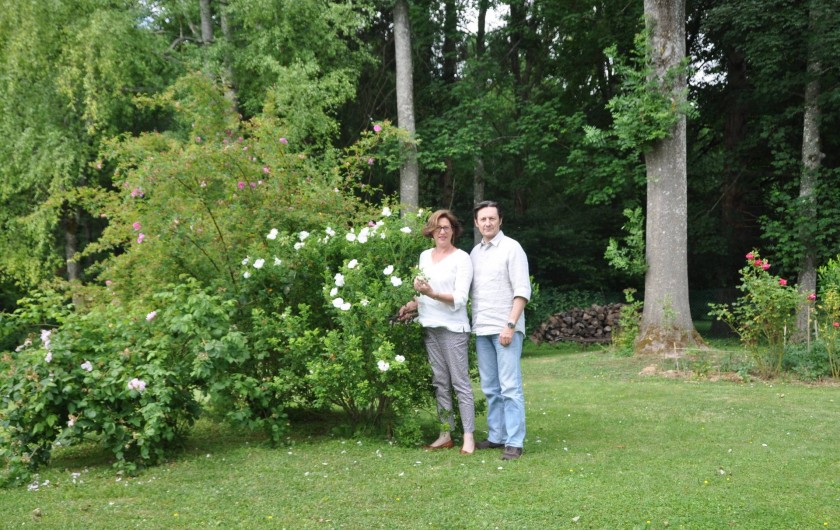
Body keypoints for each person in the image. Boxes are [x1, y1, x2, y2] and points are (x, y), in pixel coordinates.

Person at [398, 209, 476, 454]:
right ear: (431, 231)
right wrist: (413, 304)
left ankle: (468, 437)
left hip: (453, 329)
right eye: (437, 227)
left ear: (453, 231)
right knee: (440, 383)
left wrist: (431, 293)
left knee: (460, 384)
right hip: (430, 326)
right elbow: (423, 293)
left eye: (447, 227)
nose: (442, 231)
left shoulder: (462, 258)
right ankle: (445, 434)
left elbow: (461, 298)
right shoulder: (424, 256)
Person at [470, 200, 531, 461]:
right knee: (491, 388)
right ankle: (497, 436)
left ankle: (514, 442)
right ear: (476, 223)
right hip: (482, 329)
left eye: (491, 218)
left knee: (510, 387)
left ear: (500, 220)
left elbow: (522, 291)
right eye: (482, 219)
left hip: (505, 329)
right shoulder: (475, 253)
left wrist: (510, 325)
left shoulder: (512, 248)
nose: (487, 223)